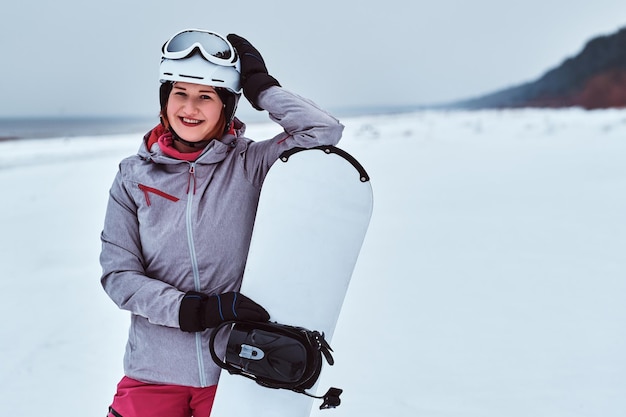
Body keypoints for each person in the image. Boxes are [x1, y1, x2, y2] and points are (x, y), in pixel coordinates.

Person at [100, 29, 343, 417]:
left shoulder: (251, 164)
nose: (189, 107)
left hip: (236, 373)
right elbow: (119, 276)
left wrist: (261, 88)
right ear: (165, 100)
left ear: (227, 106)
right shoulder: (133, 177)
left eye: (205, 96)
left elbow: (322, 131)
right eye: (180, 93)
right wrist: (194, 310)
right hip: (152, 373)